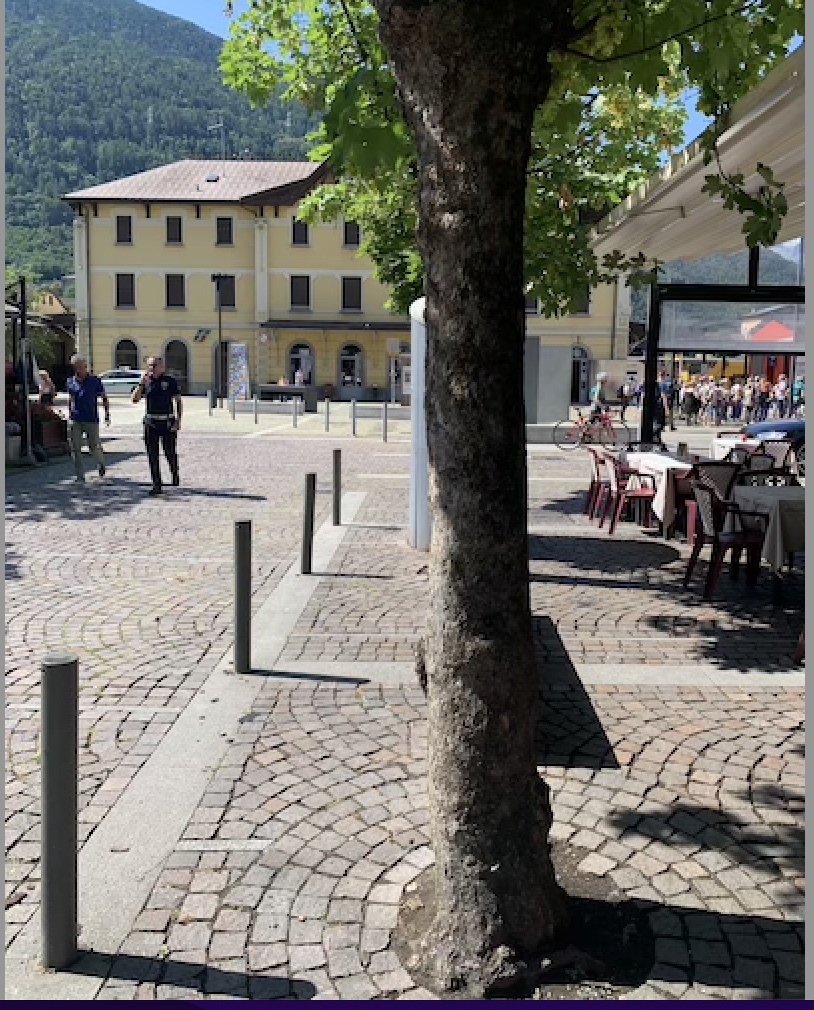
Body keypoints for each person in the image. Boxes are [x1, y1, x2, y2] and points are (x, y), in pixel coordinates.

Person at [131, 355, 182, 496]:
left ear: (162, 367)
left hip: (167, 421)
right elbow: (134, 399)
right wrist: (141, 384)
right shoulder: (146, 381)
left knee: (169, 452)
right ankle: (156, 484)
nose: (152, 368)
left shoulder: (170, 381)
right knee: (152, 455)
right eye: (150, 365)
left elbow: (178, 400)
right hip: (151, 422)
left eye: (155, 365)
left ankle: (174, 472)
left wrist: (178, 420)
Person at [66, 354, 110, 483]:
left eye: (83, 367)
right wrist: (69, 413)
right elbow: (71, 398)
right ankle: (80, 476)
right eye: (78, 367)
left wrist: (107, 413)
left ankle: (100, 463)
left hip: (91, 418)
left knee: (93, 446)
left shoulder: (95, 380)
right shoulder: (70, 381)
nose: (81, 369)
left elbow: (104, 397)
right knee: (75, 448)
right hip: (76, 418)